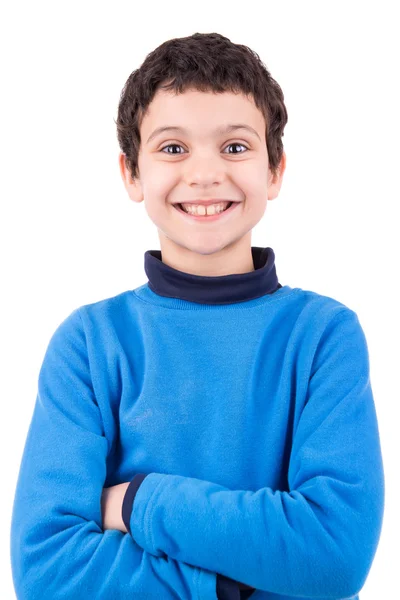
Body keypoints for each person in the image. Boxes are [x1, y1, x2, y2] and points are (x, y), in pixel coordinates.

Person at [10, 32, 384, 600]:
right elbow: (48, 570)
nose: (205, 174)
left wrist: (138, 501)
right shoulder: (88, 344)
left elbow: (333, 557)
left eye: (235, 147)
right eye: (172, 148)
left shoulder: (323, 337)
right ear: (131, 173)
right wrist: (241, 578)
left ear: (275, 170)